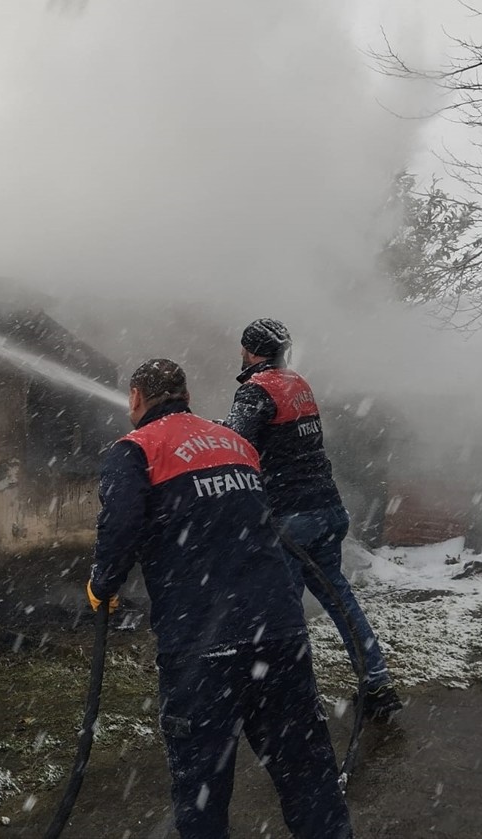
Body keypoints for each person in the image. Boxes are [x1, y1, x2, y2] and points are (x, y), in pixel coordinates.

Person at [88, 360, 352, 839]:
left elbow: (119, 529)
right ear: (186, 394)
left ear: (134, 398)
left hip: (201, 645)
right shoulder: (237, 445)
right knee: (307, 774)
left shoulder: (134, 450)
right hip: (278, 632)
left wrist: (101, 584)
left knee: (202, 787)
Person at [223, 319, 402, 720]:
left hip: (291, 518)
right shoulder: (298, 384)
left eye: (243, 348)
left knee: (279, 613)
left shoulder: (254, 391)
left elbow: (235, 446)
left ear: (252, 351)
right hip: (327, 510)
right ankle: (377, 684)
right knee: (339, 599)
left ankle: (291, 701)